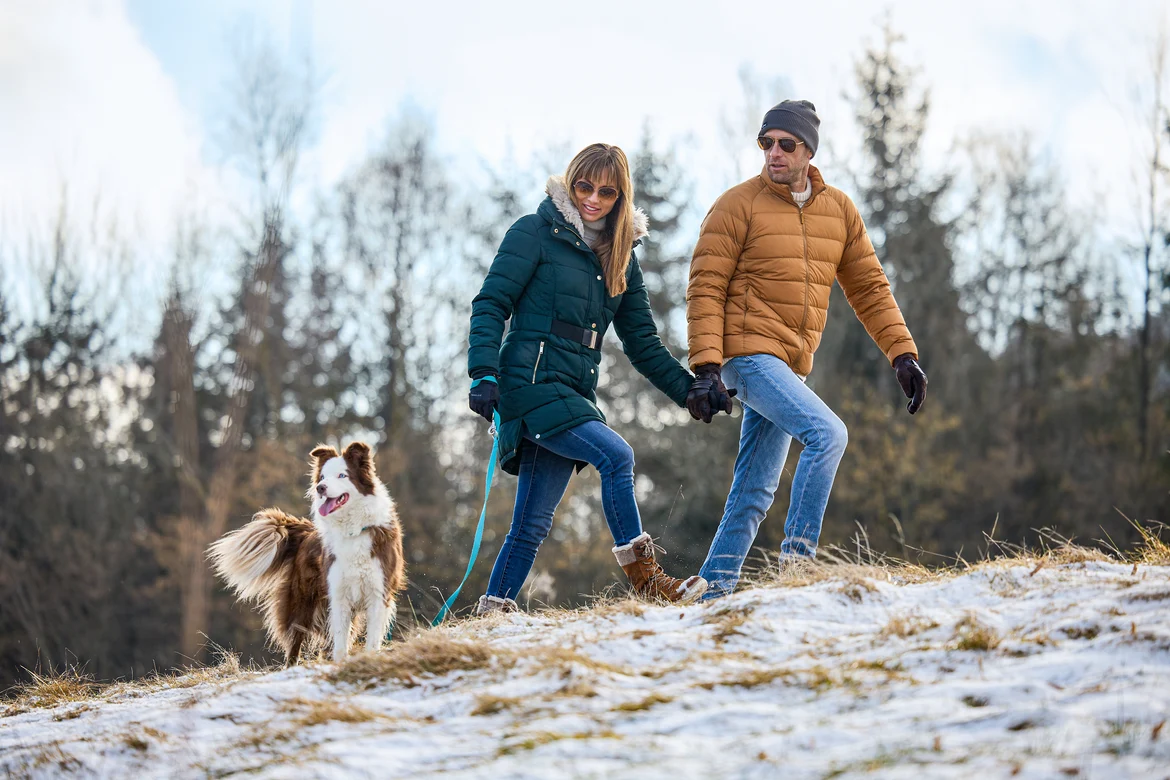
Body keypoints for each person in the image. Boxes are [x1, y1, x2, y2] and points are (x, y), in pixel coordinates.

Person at [686, 100, 929, 599]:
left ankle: (711, 594)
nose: (774, 152)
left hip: (789, 366)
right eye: (766, 143)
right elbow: (705, 286)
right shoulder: (738, 204)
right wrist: (707, 366)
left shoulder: (838, 210)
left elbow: (870, 288)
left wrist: (902, 353)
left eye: (786, 144)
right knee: (828, 434)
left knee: (754, 491)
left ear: (808, 151)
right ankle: (798, 573)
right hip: (747, 356)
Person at [468, 143, 725, 614]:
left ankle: (493, 611)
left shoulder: (621, 258)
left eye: (606, 192)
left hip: (572, 390)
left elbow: (642, 342)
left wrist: (688, 390)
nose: (593, 199)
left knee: (530, 524)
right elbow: (491, 303)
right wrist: (483, 372)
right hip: (528, 383)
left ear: (620, 197)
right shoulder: (534, 233)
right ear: (570, 182)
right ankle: (647, 581)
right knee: (616, 455)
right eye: (584, 186)